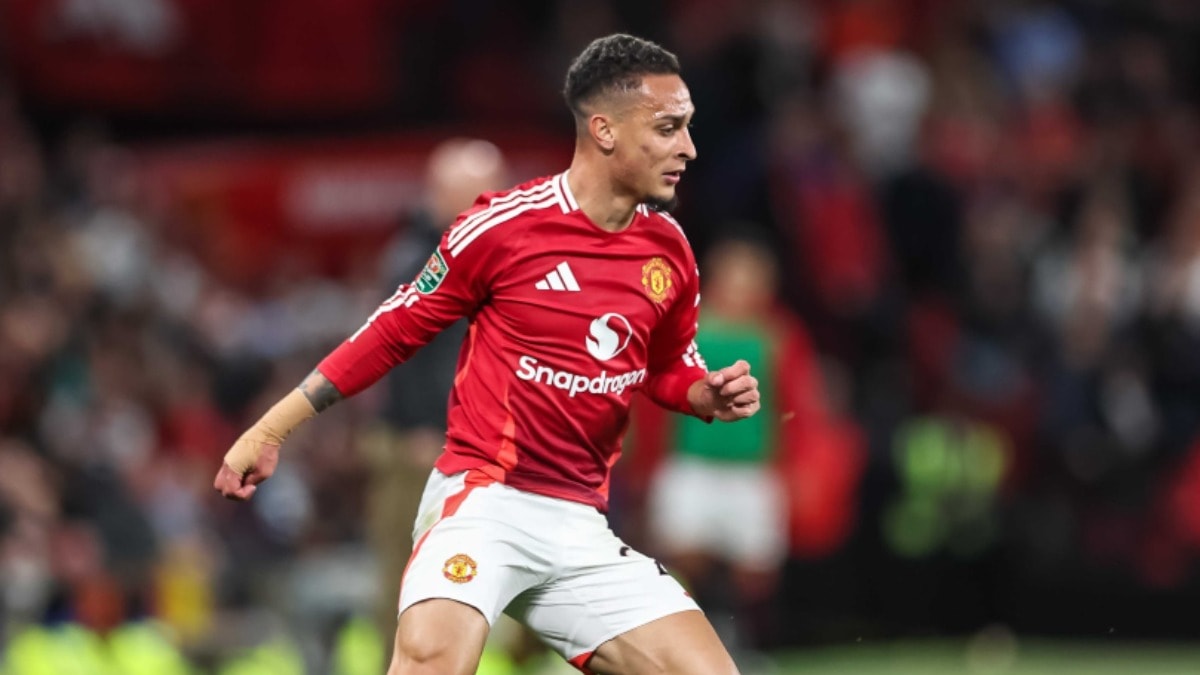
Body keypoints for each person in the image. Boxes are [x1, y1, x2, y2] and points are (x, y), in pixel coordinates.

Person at [214, 33, 760, 675]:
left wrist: (703, 393)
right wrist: (271, 428)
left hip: (581, 523)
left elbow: (667, 366)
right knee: (431, 662)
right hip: (485, 502)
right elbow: (389, 332)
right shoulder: (502, 228)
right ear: (605, 131)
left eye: (687, 128)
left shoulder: (669, 250)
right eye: (668, 128)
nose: (688, 148)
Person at [365, 137, 508, 638]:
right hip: (421, 443)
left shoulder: (488, 253)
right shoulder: (417, 258)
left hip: (477, 441)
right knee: (411, 574)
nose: (493, 201)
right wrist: (421, 427)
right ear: (441, 195)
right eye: (479, 192)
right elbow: (398, 349)